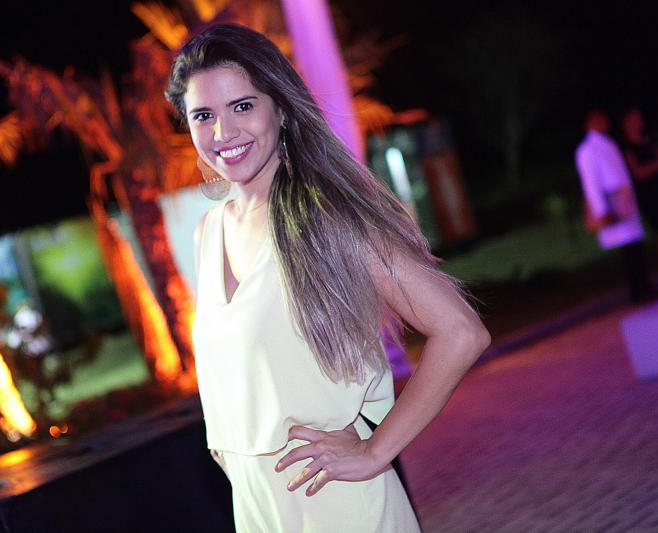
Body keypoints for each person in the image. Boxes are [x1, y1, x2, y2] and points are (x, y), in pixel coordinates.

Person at [166, 24, 490, 532]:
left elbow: (461, 331)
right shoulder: (208, 233)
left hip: (336, 502)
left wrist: (375, 450)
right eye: (203, 115)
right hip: (258, 507)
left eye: (243, 106)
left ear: (280, 108)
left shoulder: (328, 217)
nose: (223, 132)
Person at [576, 108, 650, 302]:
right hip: (612, 202)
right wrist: (602, 211)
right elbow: (591, 183)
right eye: (598, 119)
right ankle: (638, 291)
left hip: (623, 200)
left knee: (634, 245)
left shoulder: (607, 143)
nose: (604, 121)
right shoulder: (587, 150)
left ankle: (643, 287)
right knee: (627, 249)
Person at [621, 106, 658, 284]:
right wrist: (656, 165)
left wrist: (657, 164)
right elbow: (638, 173)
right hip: (648, 194)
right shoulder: (629, 149)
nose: (639, 121)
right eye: (634, 118)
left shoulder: (648, 142)